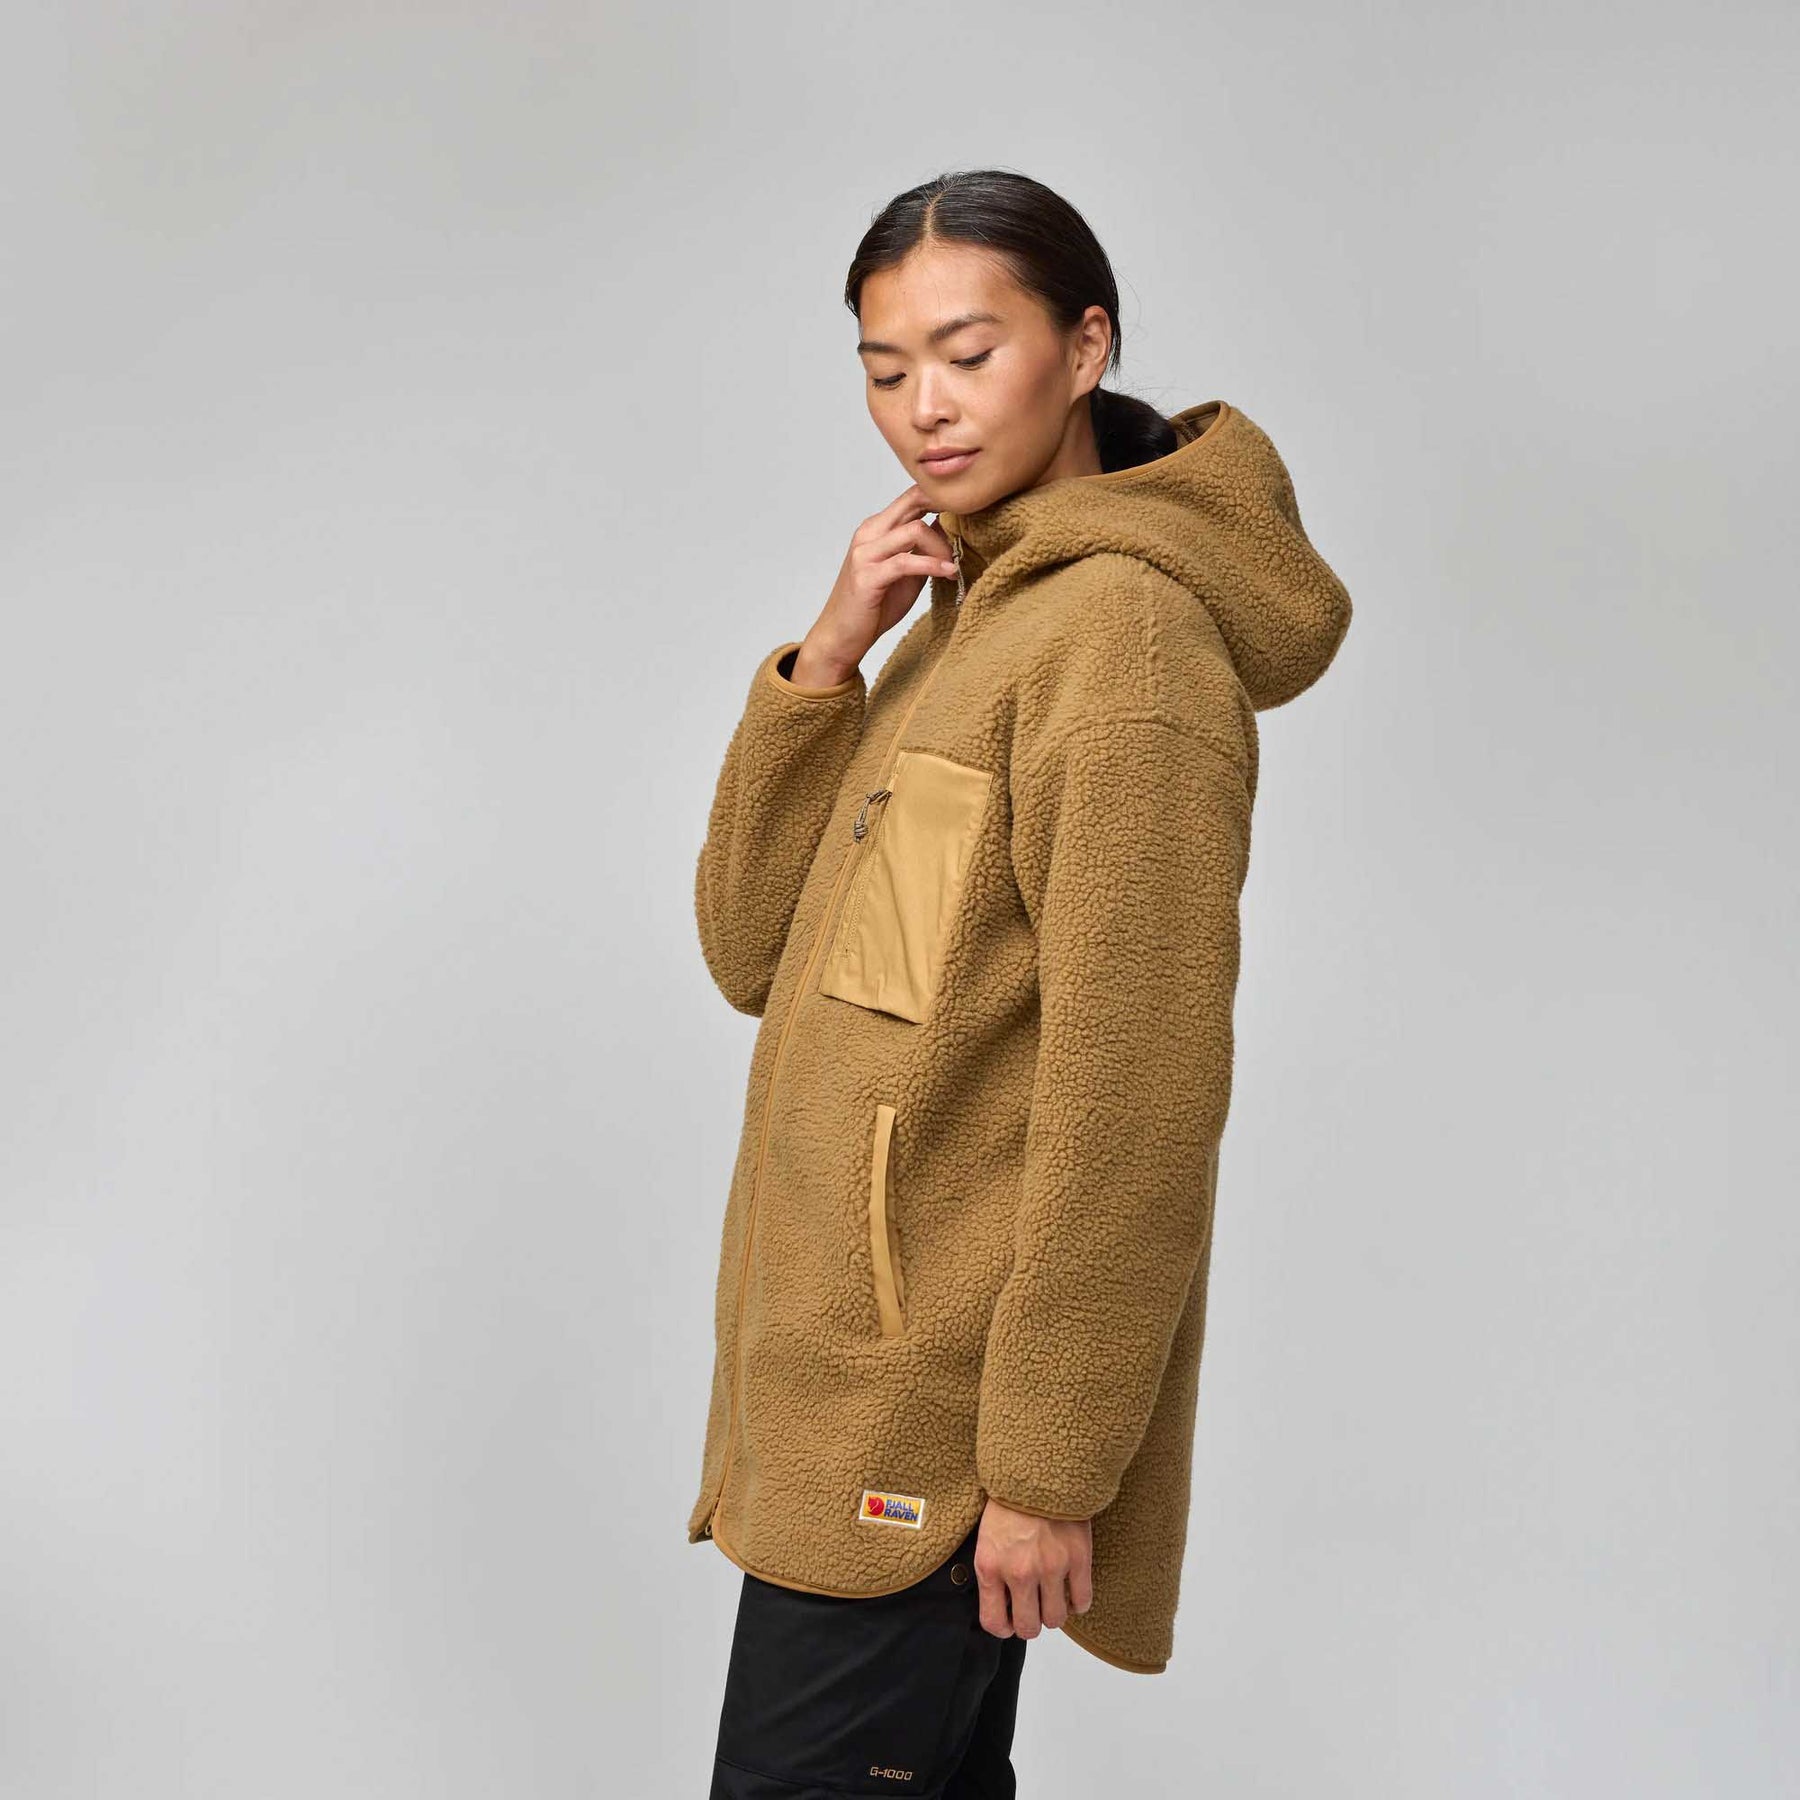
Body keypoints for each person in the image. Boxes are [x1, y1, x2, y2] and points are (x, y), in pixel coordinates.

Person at [689, 168, 1353, 1797]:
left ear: (1086, 347)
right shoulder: (968, 622)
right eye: (884, 367)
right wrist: (827, 660)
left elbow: (1138, 1093)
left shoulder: (1122, 648)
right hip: (845, 1404)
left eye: (968, 354)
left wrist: (1051, 1468)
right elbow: (757, 952)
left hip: (933, 1437)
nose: (923, 407)